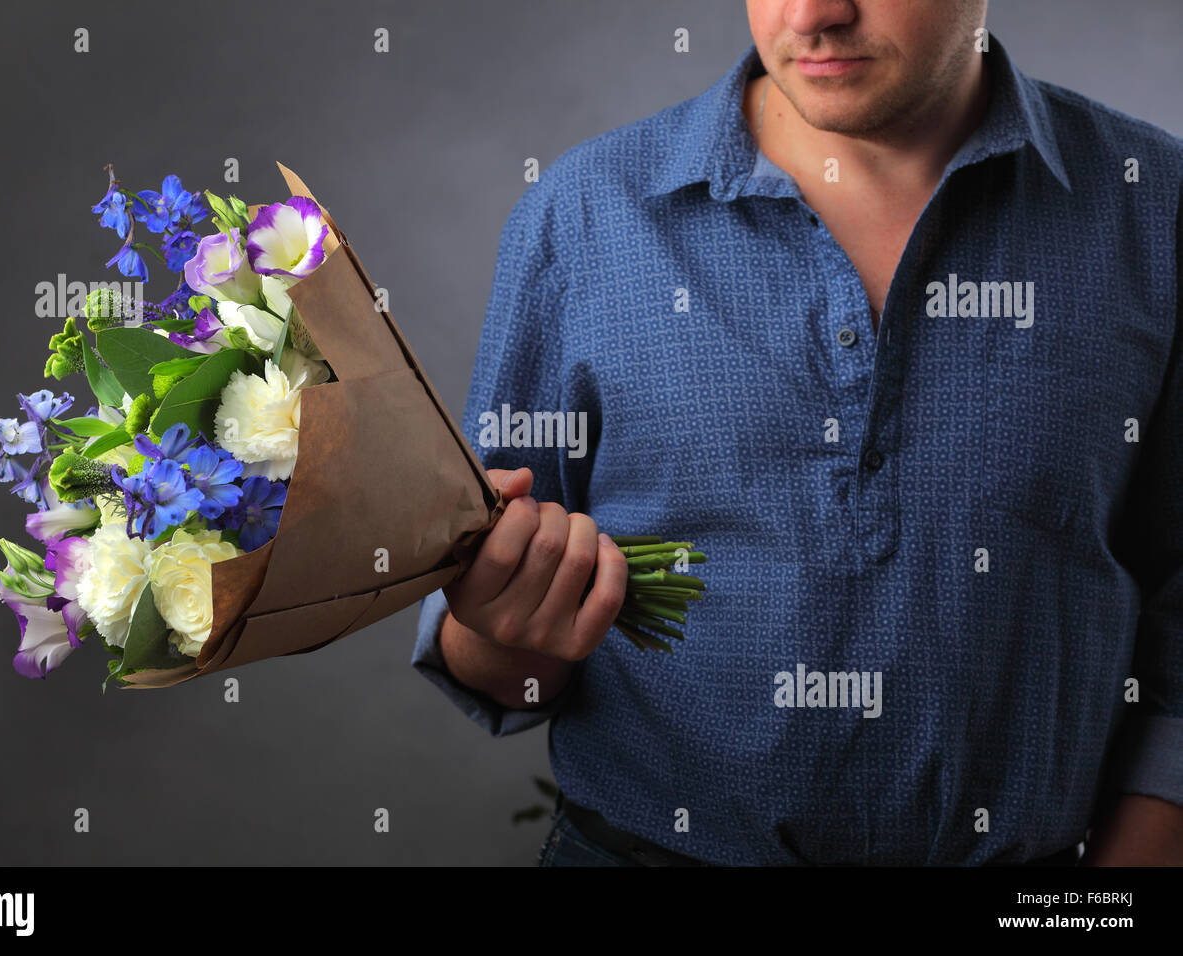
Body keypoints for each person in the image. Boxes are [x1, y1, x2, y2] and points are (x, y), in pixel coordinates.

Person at [413, 0, 1183, 865]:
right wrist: (500, 623)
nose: (814, 14)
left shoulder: (1153, 207)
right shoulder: (583, 215)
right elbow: (504, 669)